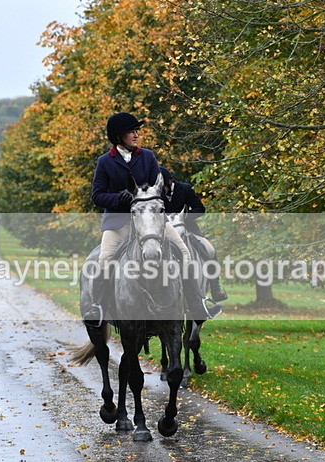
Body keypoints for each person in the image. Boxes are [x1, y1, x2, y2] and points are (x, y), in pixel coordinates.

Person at [85, 112, 221, 326]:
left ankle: (196, 303)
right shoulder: (105, 162)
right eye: (132, 132)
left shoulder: (147, 157)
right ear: (119, 136)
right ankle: (98, 307)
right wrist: (118, 198)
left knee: (184, 252)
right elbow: (97, 196)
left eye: (137, 131)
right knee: (105, 258)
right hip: (119, 223)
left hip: (151, 221)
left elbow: (156, 187)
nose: (137, 135)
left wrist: (148, 201)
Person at [160, 166, 228, 303]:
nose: (162, 190)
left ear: (170, 181)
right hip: (164, 230)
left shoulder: (184, 189)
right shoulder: (155, 192)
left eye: (163, 187)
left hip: (187, 228)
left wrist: (184, 217)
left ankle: (216, 288)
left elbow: (200, 209)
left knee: (210, 250)